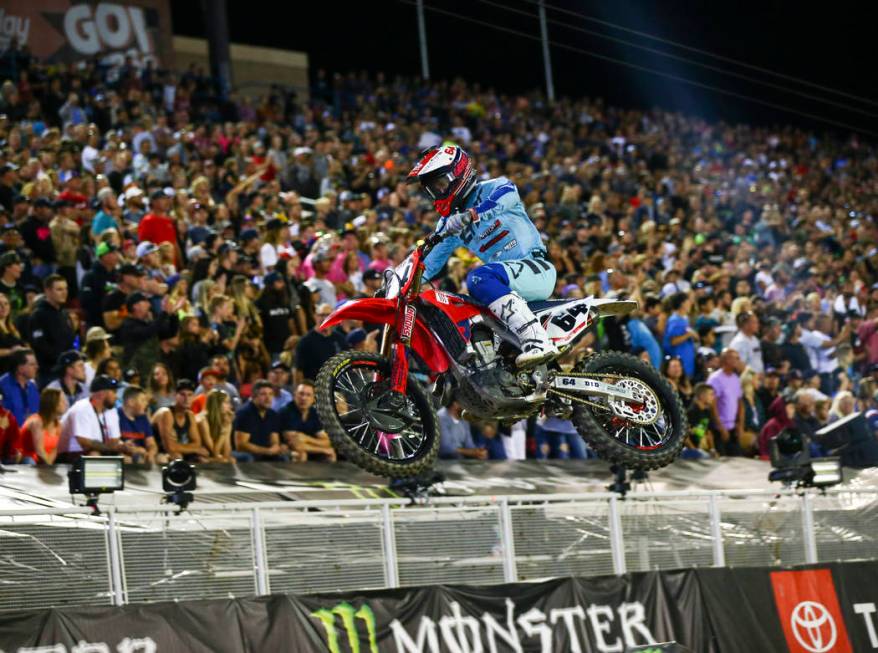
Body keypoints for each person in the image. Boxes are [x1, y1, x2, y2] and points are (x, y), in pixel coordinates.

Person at [407, 144, 558, 367]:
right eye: (431, 189)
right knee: (459, 307)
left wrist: (471, 214)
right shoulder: (450, 222)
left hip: (535, 268)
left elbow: (501, 199)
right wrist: (398, 280)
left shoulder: (498, 186)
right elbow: (427, 263)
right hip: (504, 284)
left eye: (439, 184)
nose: (436, 193)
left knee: (479, 278)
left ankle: (537, 341)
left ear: (458, 174)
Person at [56, 375, 130, 462]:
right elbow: (85, 442)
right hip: (68, 454)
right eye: (113, 392)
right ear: (101, 394)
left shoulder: (111, 410)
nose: (116, 396)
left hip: (96, 451)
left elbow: (114, 440)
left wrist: (124, 447)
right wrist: (111, 448)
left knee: (127, 459)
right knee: (94, 456)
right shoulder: (82, 408)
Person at [28, 274, 76, 385]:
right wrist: (63, 360)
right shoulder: (38, 315)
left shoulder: (64, 313)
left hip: (67, 371)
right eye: (59, 289)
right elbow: (40, 345)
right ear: (47, 291)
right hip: (49, 373)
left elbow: (71, 339)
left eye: (65, 289)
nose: (64, 292)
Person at [152, 379, 210, 462]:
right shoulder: (166, 413)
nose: (186, 399)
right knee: (176, 458)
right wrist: (195, 449)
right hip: (159, 454)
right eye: (182, 395)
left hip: (179, 453)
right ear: (175, 395)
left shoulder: (190, 415)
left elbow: (197, 444)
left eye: (190, 395)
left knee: (203, 460)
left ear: (194, 397)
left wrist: (195, 449)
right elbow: (169, 447)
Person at [233, 379, 292, 461]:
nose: (268, 398)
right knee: (248, 458)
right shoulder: (244, 413)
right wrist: (267, 451)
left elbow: (274, 439)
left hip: (263, 452)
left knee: (283, 457)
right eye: (263, 394)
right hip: (244, 453)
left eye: (271, 394)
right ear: (254, 396)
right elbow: (241, 445)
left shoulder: (272, 414)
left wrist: (276, 447)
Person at [280, 381, 335, 461]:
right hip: (285, 449)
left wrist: (306, 438)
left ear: (313, 399)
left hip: (309, 447)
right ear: (294, 395)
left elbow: (327, 442)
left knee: (330, 455)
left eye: (308, 395)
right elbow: (295, 445)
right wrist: (323, 449)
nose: (304, 398)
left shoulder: (315, 413)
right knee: (301, 454)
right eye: (301, 394)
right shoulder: (286, 412)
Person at [293, 303, 348, 383]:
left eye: (328, 315)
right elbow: (298, 370)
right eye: (321, 315)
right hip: (314, 388)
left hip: (337, 388)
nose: (325, 318)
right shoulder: (305, 342)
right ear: (315, 316)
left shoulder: (340, 339)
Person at [707, 348, 744, 456]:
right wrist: (721, 427)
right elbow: (712, 405)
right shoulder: (715, 379)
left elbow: (740, 403)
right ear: (726, 360)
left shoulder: (736, 379)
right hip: (718, 430)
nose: (738, 360)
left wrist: (740, 425)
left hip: (733, 428)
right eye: (735, 358)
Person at [117, 385, 162, 464]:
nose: (146, 404)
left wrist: (151, 453)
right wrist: (136, 450)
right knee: (128, 459)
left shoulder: (143, 418)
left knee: (161, 459)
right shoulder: (115, 416)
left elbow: (151, 443)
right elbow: (113, 443)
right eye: (143, 400)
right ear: (131, 402)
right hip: (123, 455)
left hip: (142, 455)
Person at [21, 387, 67, 464]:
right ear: (52, 403)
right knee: (29, 460)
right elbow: (39, 451)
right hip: (27, 459)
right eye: (62, 401)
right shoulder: (36, 422)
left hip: (44, 463)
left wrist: (49, 467)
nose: (65, 403)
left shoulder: (59, 426)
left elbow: (55, 450)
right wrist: (48, 468)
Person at [195, 389, 239, 463]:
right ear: (216, 404)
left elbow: (226, 453)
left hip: (210, 458)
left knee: (231, 460)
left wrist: (226, 426)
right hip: (196, 456)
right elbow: (214, 452)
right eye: (226, 402)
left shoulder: (226, 419)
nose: (230, 406)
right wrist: (225, 429)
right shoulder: (202, 420)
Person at [0, 348, 39, 426]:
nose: (37, 367)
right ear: (20, 368)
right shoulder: (2, 386)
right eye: (32, 364)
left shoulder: (32, 386)